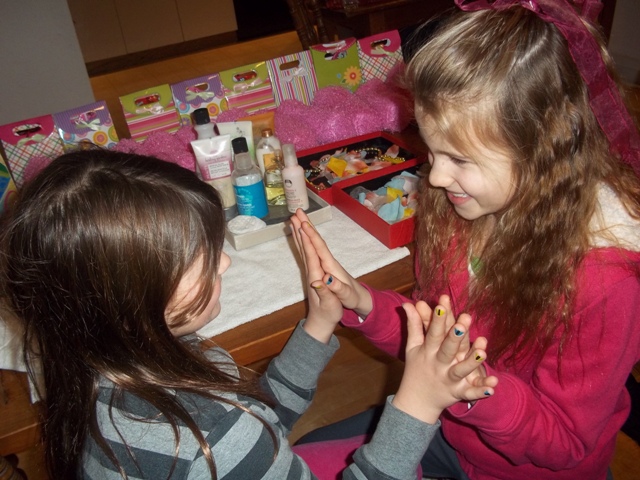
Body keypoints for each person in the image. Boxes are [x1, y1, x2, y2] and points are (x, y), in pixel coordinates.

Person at [290, 1, 640, 479]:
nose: (434, 178)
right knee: (305, 456)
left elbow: (564, 442)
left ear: (543, 148)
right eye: (432, 151)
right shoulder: (462, 212)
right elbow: (433, 335)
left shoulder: (604, 280)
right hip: (449, 436)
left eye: (459, 159)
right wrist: (363, 302)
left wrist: (474, 389)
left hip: (526, 468)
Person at [0, 148, 496, 479]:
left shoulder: (109, 361)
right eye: (203, 256)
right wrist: (417, 402)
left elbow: (255, 413)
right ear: (131, 298)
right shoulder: (206, 436)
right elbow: (235, 428)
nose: (225, 261)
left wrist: (318, 325)